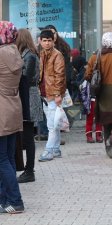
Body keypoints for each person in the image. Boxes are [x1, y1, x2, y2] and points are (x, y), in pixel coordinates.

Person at [0, 21, 24, 213]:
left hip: (1, 111)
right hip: (13, 108)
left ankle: (15, 201)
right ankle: (4, 200)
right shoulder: (14, 52)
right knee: (7, 157)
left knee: (2, 160)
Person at [15, 28, 43, 183]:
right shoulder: (28, 54)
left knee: (28, 137)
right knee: (26, 136)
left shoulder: (29, 56)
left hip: (29, 98)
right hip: (28, 96)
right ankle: (27, 169)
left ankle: (29, 170)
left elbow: (25, 78)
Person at [38, 29, 66, 162]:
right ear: (40, 41)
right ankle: (56, 149)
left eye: (49, 40)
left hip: (53, 94)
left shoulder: (57, 55)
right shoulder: (42, 54)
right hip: (44, 93)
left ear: (53, 41)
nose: (47, 43)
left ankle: (49, 151)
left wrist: (57, 94)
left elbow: (59, 76)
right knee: (54, 122)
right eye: (45, 41)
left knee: (52, 124)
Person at [84, 50, 103, 143]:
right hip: (104, 90)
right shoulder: (108, 57)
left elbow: (87, 74)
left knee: (90, 113)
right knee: (99, 114)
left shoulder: (93, 58)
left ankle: (89, 135)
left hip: (93, 89)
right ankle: (99, 134)